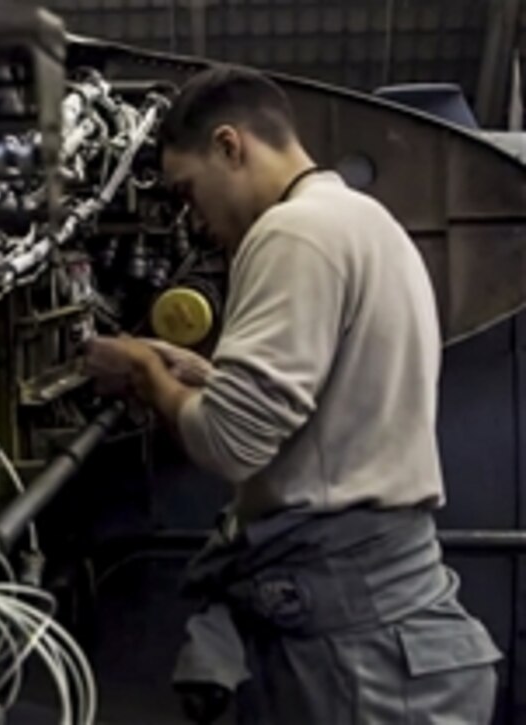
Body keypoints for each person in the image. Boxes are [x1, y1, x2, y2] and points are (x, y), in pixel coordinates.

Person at [84, 66, 502, 724]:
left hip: (357, 649)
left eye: (190, 193)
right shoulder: (367, 224)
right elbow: (336, 406)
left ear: (231, 146)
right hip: (389, 624)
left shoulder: (292, 232)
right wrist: (200, 377)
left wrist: (140, 366)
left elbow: (229, 442)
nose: (197, 221)